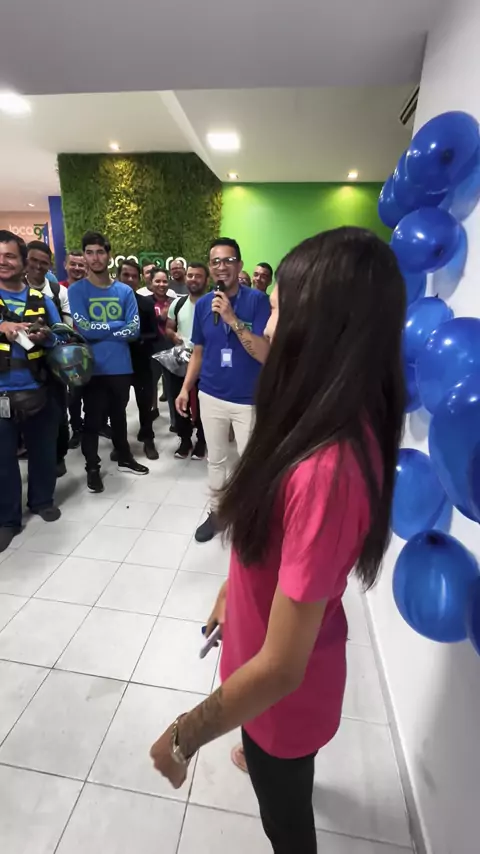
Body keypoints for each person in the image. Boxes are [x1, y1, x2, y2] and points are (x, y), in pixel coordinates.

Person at [149, 227, 406, 854]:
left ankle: (265, 760)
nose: (271, 322)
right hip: (256, 664)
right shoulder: (311, 416)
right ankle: (258, 751)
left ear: (324, 329)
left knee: (285, 823)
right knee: (271, 771)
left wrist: (185, 734)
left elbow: (284, 666)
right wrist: (232, 590)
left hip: (282, 699)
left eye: (281, 308)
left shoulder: (329, 468)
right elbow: (269, 535)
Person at [176, 237, 271, 543]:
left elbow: (264, 353)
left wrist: (232, 319)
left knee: (250, 463)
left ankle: (252, 516)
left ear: (239, 265)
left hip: (248, 400)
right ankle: (218, 512)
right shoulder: (204, 304)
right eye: (215, 261)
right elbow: (199, 351)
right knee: (215, 459)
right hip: (211, 395)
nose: (221, 267)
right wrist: (185, 388)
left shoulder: (258, 302)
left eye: (228, 260)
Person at [68, 231, 149, 493]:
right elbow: (83, 329)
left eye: (100, 252)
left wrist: (100, 329)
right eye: (89, 252)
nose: (95, 258)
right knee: (92, 420)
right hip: (92, 367)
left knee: (119, 416)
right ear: (84, 256)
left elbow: (134, 330)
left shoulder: (124, 291)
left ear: (108, 255)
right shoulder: (77, 290)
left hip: (121, 366)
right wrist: (117, 325)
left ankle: (124, 456)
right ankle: (92, 467)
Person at [0, 231, 63, 552]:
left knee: (43, 452)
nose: (3, 262)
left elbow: (61, 336)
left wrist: (46, 336)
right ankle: (8, 519)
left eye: (9, 256)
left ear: (23, 262)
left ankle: (42, 500)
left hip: (40, 389)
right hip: (1, 395)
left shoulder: (43, 300)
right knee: (3, 461)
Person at [26, 240, 72, 477]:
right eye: (33, 260)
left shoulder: (55, 293)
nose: (38, 266)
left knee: (57, 413)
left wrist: (49, 336)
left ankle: (58, 456)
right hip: (17, 367)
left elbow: (65, 330)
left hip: (51, 363)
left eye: (43, 262)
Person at [117, 258, 160, 460]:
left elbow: (155, 334)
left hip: (141, 362)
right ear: (118, 277)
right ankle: (120, 444)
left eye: (134, 276)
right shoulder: (110, 304)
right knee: (118, 406)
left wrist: (137, 338)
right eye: (126, 275)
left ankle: (148, 438)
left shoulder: (146, 303)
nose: (130, 279)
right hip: (117, 365)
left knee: (145, 404)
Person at [165, 262, 209, 460]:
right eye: (190, 275)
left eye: (198, 276)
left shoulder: (213, 303)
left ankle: (202, 440)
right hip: (181, 359)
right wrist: (173, 336)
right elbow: (169, 327)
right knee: (179, 398)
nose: (193, 279)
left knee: (203, 403)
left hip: (206, 361)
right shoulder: (178, 303)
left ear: (206, 280)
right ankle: (184, 439)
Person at [150, 267, 175, 422]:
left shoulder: (174, 302)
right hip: (152, 348)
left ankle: (175, 420)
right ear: (151, 282)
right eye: (157, 281)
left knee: (172, 386)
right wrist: (160, 318)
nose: (161, 284)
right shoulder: (145, 302)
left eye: (164, 281)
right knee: (151, 383)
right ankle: (152, 410)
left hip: (171, 348)